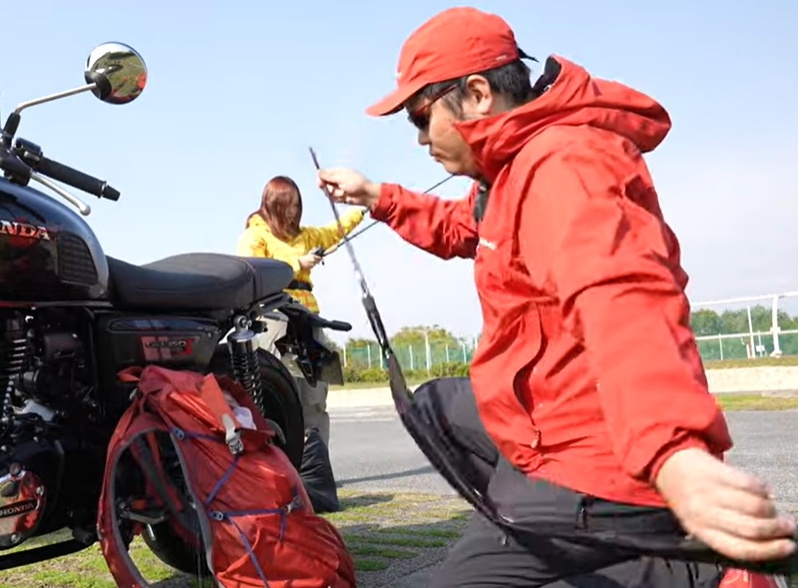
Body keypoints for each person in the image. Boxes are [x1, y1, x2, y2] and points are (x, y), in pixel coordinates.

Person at [314, 7, 796, 587]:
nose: (419, 139)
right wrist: (378, 196)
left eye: (420, 117)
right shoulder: (509, 172)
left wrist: (672, 453)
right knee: (436, 404)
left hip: (591, 459)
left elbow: (622, 297)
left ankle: (671, 563)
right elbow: (468, 228)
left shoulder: (563, 165)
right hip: (544, 418)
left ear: (476, 94)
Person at [236, 175, 365, 447]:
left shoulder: (307, 235)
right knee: (282, 396)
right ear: (273, 205)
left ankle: (318, 469)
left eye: (297, 205)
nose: (294, 211)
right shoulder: (254, 234)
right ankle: (284, 468)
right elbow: (251, 269)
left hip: (309, 323)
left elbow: (334, 231)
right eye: (288, 205)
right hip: (275, 320)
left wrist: (363, 210)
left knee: (315, 398)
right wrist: (297, 263)